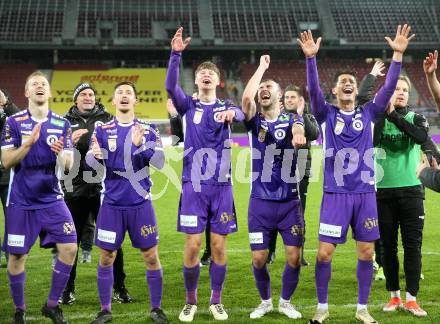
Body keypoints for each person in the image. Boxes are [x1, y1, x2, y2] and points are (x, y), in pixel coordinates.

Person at [298, 24, 414, 324]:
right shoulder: (326, 115)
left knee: (366, 254)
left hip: (364, 195)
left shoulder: (368, 113)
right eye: (343, 82)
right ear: (335, 91)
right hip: (335, 196)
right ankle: (322, 308)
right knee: (324, 254)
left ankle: (362, 309)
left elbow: (387, 88)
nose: (348, 84)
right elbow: (311, 90)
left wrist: (398, 55)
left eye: (351, 80)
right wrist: (311, 59)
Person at [166, 27, 244, 322]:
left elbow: (239, 113)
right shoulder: (188, 105)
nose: (207, 75)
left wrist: (232, 115)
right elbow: (171, 86)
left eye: (211, 73)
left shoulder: (226, 106)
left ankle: (216, 300)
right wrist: (176, 54)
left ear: (218, 80)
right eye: (202, 73)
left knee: (218, 245)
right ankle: (190, 301)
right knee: (193, 245)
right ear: (196, 80)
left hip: (222, 187)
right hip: (194, 187)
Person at [88, 81, 168, 324]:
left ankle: (156, 309)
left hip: (140, 204)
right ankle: (105, 310)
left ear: (135, 101)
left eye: (129, 93)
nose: (124, 96)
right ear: (113, 101)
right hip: (111, 204)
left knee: (151, 256)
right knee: (106, 257)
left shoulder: (148, 129)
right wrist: (93, 156)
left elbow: (160, 162)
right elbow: (91, 165)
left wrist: (139, 146)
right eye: (120, 93)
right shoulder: (102, 129)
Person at [1, 71, 77, 324]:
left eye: (44, 84)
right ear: (26, 93)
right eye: (34, 84)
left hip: (52, 199)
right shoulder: (13, 122)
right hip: (21, 201)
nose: (40, 86)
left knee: (69, 248)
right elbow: (6, 161)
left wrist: (59, 154)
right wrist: (27, 145)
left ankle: (52, 305)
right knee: (17, 256)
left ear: (50, 92)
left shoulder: (62, 124)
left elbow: (68, 166)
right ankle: (19, 310)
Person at [242, 55, 307, 320]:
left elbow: (300, 124)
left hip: (290, 202)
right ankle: (266, 301)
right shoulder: (254, 121)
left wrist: (299, 130)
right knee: (259, 259)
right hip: (260, 202)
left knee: (293, 258)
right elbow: (246, 100)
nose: (263, 90)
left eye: (270, 88)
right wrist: (261, 69)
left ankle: (286, 302)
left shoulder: (292, 120)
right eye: (261, 89)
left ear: (280, 97)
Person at [60, 83, 132, 305]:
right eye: (83, 94)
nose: (88, 97)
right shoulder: (64, 122)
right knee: (71, 243)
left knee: (112, 241)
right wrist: (67, 145)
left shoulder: (108, 119)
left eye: (91, 94)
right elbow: (58, 158)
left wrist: (106, 151)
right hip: (74, 190)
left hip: (104, 190)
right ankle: (67, 290)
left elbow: (121, 147)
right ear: (76, 99)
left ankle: (119, 287)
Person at [374, 75, 429, 317]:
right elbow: (372, 143)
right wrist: (383, 115)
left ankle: (412, 299)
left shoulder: (417, 118)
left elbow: (420, 138)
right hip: (383, 192)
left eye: (405, 89)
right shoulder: (377, 120)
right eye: (396, 89)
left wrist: (394, 117)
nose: (401, 93)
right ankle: (394, 296)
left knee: (412, 247)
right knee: (388, 248)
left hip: (412, 191)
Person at [267, 85, 320, 266]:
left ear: (300, 100)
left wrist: (301, 114)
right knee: (274, 211)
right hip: (278, 170)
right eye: (287, 97)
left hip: (300, 170)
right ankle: (271, 251)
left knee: (299, 214)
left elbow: (313, 134)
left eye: (292, 97)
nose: (289, 100)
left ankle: (300, 253)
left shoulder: (308, 116)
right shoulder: (276, 117)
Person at [167, 98, 212, 266]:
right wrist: (173, 116)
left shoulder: (215, 114)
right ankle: (197, 254)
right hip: (192, 176)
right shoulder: (189, 118)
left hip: (215, 176)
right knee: (194, 219)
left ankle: (209, 252)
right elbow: (178, 141)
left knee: (210, 217)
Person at [0, 88, 20, 266]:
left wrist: (5, 103)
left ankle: (9, 255)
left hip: (7, 177)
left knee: (11, 218)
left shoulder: (11, 116)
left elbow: (21, 119)